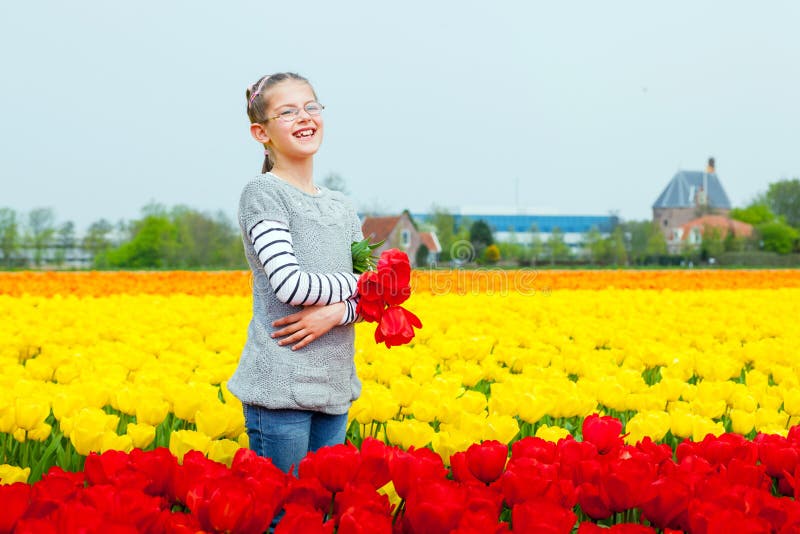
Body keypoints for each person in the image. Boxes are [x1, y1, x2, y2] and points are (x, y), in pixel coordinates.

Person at [227, 72, 363, 474]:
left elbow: (379, 299)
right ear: (260, 132)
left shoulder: (342, 206)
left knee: (317, 511)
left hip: (335, 388)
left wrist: (337, 313)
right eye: (287, 112)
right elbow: (291, 285)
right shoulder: (263, 193)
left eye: (310, 107)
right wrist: (359, 288)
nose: (304, 118)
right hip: (281, 387)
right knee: (279, 512)